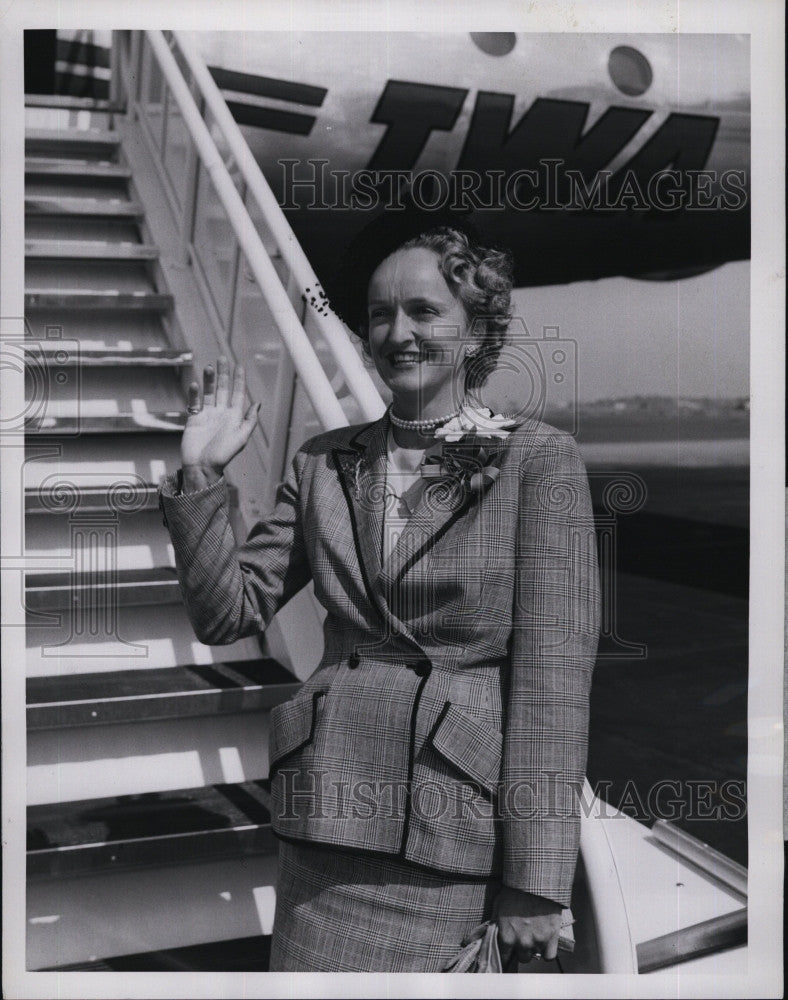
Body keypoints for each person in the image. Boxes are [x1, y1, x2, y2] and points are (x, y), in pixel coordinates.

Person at [158, 224, 601, 973]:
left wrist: (536, 881)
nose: (398, 333)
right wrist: (200, 476)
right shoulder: (323, 462)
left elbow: (552, 687)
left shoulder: (536, 460)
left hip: (448, 836)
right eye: (380, 315)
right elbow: (226, 614)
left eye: (425, 312)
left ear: (476, 330)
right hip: (322, 827)